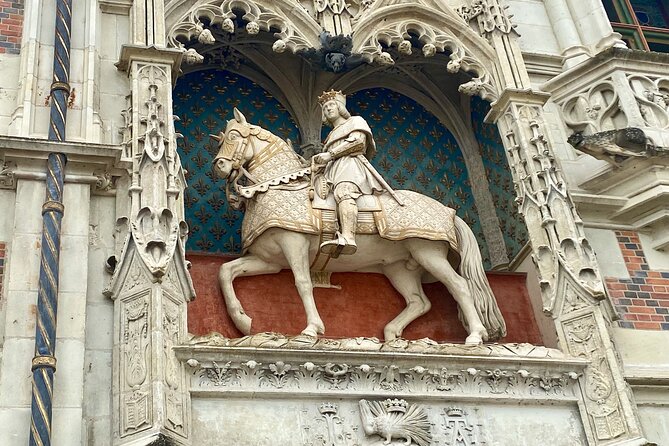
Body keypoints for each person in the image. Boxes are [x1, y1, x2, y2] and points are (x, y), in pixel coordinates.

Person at [312, 90, 385, 255]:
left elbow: (358, 143)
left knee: (344, 192)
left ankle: (348, 237)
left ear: (339, 107)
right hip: (332, 170)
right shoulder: (330, 134)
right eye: (324, 108)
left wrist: (330, 154)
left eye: (331, 105)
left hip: (350, 167)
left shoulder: (355, 121)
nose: (328, 109)